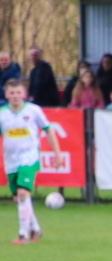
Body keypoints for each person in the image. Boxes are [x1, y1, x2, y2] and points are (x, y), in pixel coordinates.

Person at [1, 79, 63, 244]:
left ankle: (24, 235)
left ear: (24, 93)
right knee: (19, 198)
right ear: (6, 94)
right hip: (11, 159)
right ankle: (35, 229)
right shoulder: (2, 113)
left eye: (18, 92)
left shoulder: (34, 110)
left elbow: (48, 131)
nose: (15, 96)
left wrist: (58, 154)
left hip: (29, 157)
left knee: (23, 193)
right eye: (12, 93)